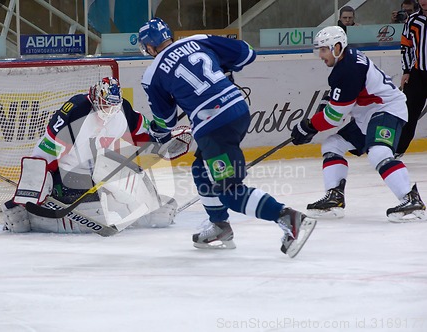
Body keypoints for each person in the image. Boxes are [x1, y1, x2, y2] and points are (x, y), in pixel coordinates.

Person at [137, 17, 317, 257]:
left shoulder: (152, 74)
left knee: (230, 192)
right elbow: (247, 54)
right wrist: (223, 68)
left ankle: (288, 218)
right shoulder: (197, 40)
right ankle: (219, 226)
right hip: (238, 110)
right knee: (201, 169)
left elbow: (166, 122)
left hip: (213, 126)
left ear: (149, 47)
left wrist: (156, 134)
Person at [2, 77, 184, 233]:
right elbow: (43, 155)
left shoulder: (121, 110)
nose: (109, 112)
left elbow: (144, 136)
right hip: (68, 176)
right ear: (95, 99)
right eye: (105, 106)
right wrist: (28, 195)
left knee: (130, 172)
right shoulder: (75, 112)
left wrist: (163, 142)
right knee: (92, 205)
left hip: (100, 171)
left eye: (113, 107)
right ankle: (27, 213)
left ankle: (150, 208)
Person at [291, 26, 426, 223]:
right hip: (368, 114)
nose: (320, 55)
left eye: (323, 50)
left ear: (337, 47)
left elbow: (334, 117)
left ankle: (411, 200)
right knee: (332, 145)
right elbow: (346, 96)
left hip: (386, 109)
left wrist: (308, 126)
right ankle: (334, 198)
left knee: (379, 152)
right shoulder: (348, 61)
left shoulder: (348, 69)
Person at [396, 0, 427, 156]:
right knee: (408, 114)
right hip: (417, 74)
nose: (424, 1)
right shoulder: (413, 19)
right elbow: (406, 46)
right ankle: (397, 150)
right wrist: (406, 70)